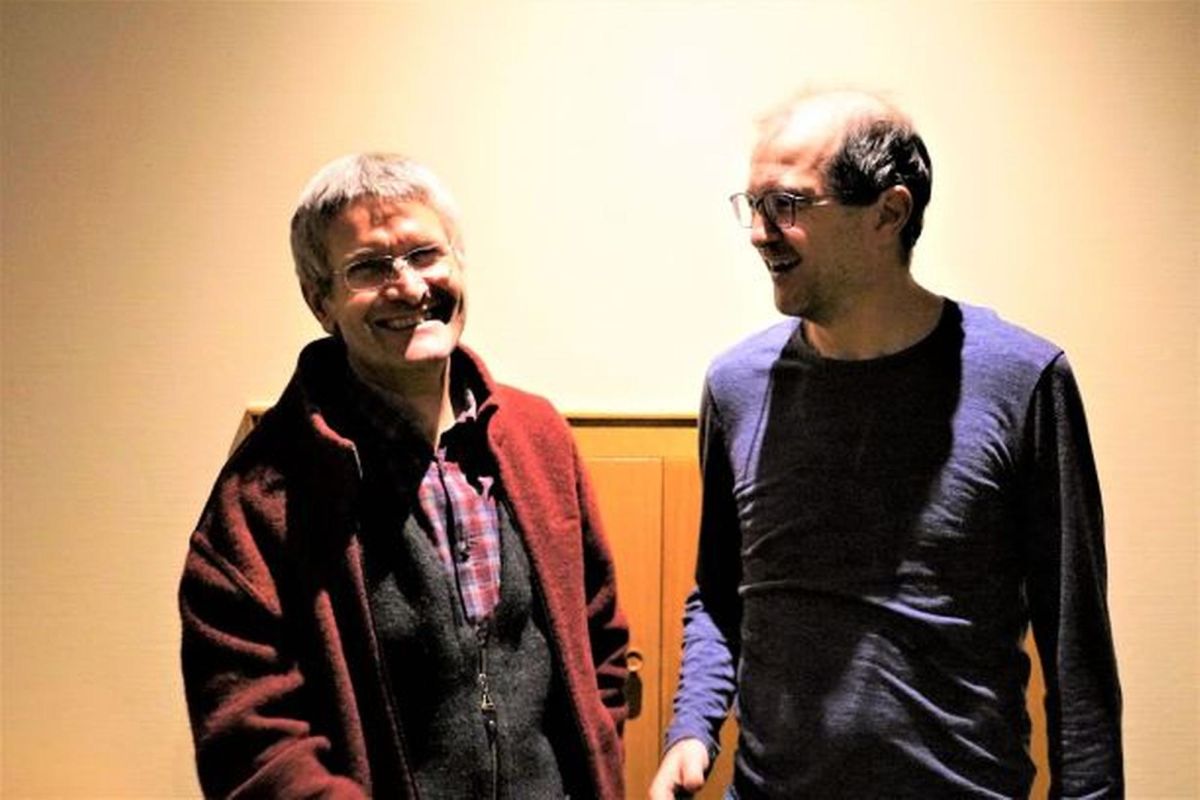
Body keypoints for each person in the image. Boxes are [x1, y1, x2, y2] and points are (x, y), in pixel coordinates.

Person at [649, 90, 1123, 799]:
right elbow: (719, 594)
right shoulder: (735, 387)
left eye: (786, 204)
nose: (759, 233)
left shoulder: (1022, 382)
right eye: (753, 205)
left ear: (888, 213)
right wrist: (692, 727)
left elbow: (1074, 644)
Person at [179, 153, 628, 799]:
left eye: (425, 254)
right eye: (369, 267)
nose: (410, 287)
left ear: (459, 262)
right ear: (321, 300)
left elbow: (600, 642)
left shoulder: (539, 437)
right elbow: (249, 739)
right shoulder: (260, 498)